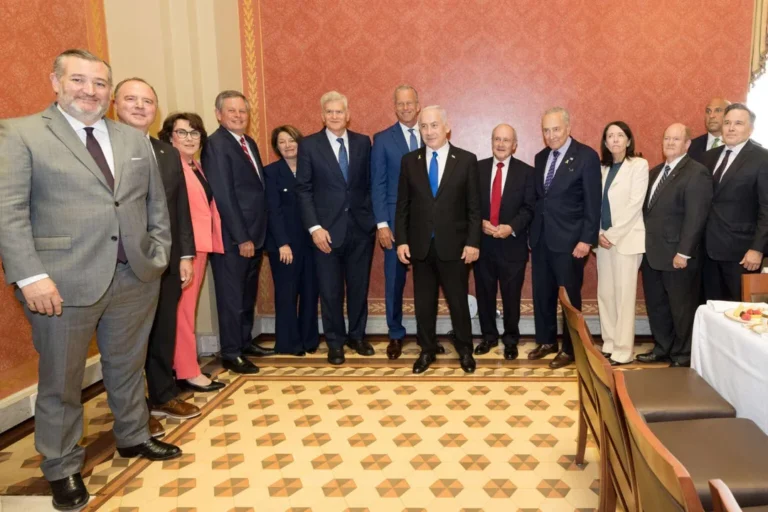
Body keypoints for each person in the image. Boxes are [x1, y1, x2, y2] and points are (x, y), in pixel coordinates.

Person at [0, 49, 180, 511]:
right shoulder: (20, 134)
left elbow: (154, 205)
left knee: (127, 366)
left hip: (134, 277)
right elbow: (9, 212)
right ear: (55, 82)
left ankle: (134, 436)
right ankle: (61, 466)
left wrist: (156, 256)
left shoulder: (133, 139)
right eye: (79, 80)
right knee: (61, 381)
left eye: (100, 83)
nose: (90, 91)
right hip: (60, 285)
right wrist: (30, 276)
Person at [113, 79, 201, 440]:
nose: (139, 106)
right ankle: (135, 411)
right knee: (130, 341)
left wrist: (185, 253)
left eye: (147, 101)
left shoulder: (164, 152)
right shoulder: (104, 148)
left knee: (164, 330)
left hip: (163, 259)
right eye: (131, 99)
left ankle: (163, 395)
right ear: (115, 103)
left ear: (156, 109)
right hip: (121, 261)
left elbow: (177, 206)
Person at [395, 106, 481, 374]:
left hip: (455, 246)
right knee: (424, 303)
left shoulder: (466, 160)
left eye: (434, 125)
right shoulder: (410, 161)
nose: (429, 131)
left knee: (457, 301)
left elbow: (474, 208)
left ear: (447, 127)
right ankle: (427, 349)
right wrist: (402, 240)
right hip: (420, 246)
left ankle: (465, 350)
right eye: (423, 126)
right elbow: (403, 206)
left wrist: (473, 242)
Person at [296, 91, 376, 365]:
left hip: (360, 230)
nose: (334, 116)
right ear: (322, 115)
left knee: (358, 288)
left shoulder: (363, 142)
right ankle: (335, 342)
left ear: (347, 114)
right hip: (325, 233)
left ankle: (357, 336)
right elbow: (303, 190)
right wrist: (314, 227)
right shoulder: (308, 145)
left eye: (339, 111)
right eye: (329, 112)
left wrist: (371, 220)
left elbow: (368, 184)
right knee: (330, 291)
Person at [202, 90, 275, 375]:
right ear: (219, 114)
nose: (238, 116)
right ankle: (231, 352)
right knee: (231, 298)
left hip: (255, 235)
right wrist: (241, 236)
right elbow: (224, 195)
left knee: (246, 294)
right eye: (231, 111)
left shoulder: (248, 142)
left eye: (242, 111)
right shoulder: (216, 144)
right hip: (236, 239)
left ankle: (244, 343)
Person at [158, 112, 227, 391]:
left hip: (199, 246)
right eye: (182, 132)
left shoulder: (194, 165)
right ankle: (187, 370)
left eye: (195, 133)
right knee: (183, 313)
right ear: (169, 137)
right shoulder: (171, 166)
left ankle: (180, 365)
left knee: (185, 311)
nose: (189, 138)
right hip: (185, 250)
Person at [529, 107, 601, 369]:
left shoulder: (586, 157)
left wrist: (586, 239)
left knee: (569, 298)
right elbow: (540, 200)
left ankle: (571, 349)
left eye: (556, 129)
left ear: (568, 128)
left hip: (571, 242)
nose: (551, 135)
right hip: (541, 239)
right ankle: (547, 341)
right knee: (542, 293)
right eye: (546, 130)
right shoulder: (540, 157)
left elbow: (594, 203)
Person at [638, 123, 712, 367]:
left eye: (676, 139)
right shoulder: (655, 171)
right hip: (652, 254)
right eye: (666, 138)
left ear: (687, 144)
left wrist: (684, 252)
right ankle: (662, 348)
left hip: (677, 256)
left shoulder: (696, 172)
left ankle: (682, 355)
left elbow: (696, 216)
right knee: (657, 306)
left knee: (681, 309)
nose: (669, 143)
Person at [474, 124, 534, 360]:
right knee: (484, 294)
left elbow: (530, 208)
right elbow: (469, 204)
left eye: (506, 140)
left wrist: (511, 228)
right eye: (497, 139)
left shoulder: (527, 172)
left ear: (515, 145)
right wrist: (479, 222)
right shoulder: (476, 169)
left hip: (513, 246)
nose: (500, 144)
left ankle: (511, 339)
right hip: (483, 245)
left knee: (511, 296)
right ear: (491, 141)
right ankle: (488, 337)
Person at [371, 85, 421, 359]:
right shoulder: (382, 139)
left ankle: (427, 334)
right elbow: (377, 183)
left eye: (409, 103)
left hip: (427, 224)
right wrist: (382, 224)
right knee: (394, 282)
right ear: (395, 107)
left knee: (428, 280)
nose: (405, 107)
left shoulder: (430, 133)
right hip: (393, 223)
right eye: (400, 104)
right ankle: (395, 334)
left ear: (418, 104)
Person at [701, 103, 768, 301]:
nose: (731, 128)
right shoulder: (708, 158)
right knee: (711, 311)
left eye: (738, 123)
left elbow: (767, 208)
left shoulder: (762, 159)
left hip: (742, 254)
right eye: (727, 122)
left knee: (739, 312)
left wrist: (757, 249)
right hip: (706, 252)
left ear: (750, 129)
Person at [595, 121, 649, 366]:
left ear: (628, 140)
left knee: (624, 297)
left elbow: (634, 205)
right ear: (605, 143)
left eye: (620, 135)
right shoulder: (602, 169)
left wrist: (613, 235)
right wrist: (598, 234)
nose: (615, 140)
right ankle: (609, 343)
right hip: (602, 241)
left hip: (626, 240)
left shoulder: (638, 165)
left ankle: (624, 350)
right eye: (610, 136)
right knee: (606, 294)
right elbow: (594, 205)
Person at [264, 125, 320, 355]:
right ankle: (289, 343)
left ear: (300, 142)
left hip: (312, 242)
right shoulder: (271, 172)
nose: (287, 145)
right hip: (285, 244)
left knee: (310, 291)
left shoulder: (312, 169)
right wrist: (281, 243)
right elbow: (272, 210)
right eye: (282, 142)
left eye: (291, 140)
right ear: (276, 147)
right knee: (287, 294)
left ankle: (309, 340)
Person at [688, 97, 731, 163]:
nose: (711, 116)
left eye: (718, 110)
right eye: (708, 111)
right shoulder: (691, 146)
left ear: (729, 115)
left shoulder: (736, 145)